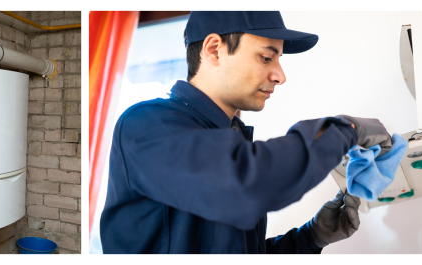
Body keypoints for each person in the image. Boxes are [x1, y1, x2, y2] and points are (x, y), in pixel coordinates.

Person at [99, 11, 393, 254]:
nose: (280, 75)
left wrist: (311, 237)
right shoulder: (147, 125)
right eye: (267, 58)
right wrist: (346, 130)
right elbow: (246, 181)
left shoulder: (231, 137)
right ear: (214, 49)